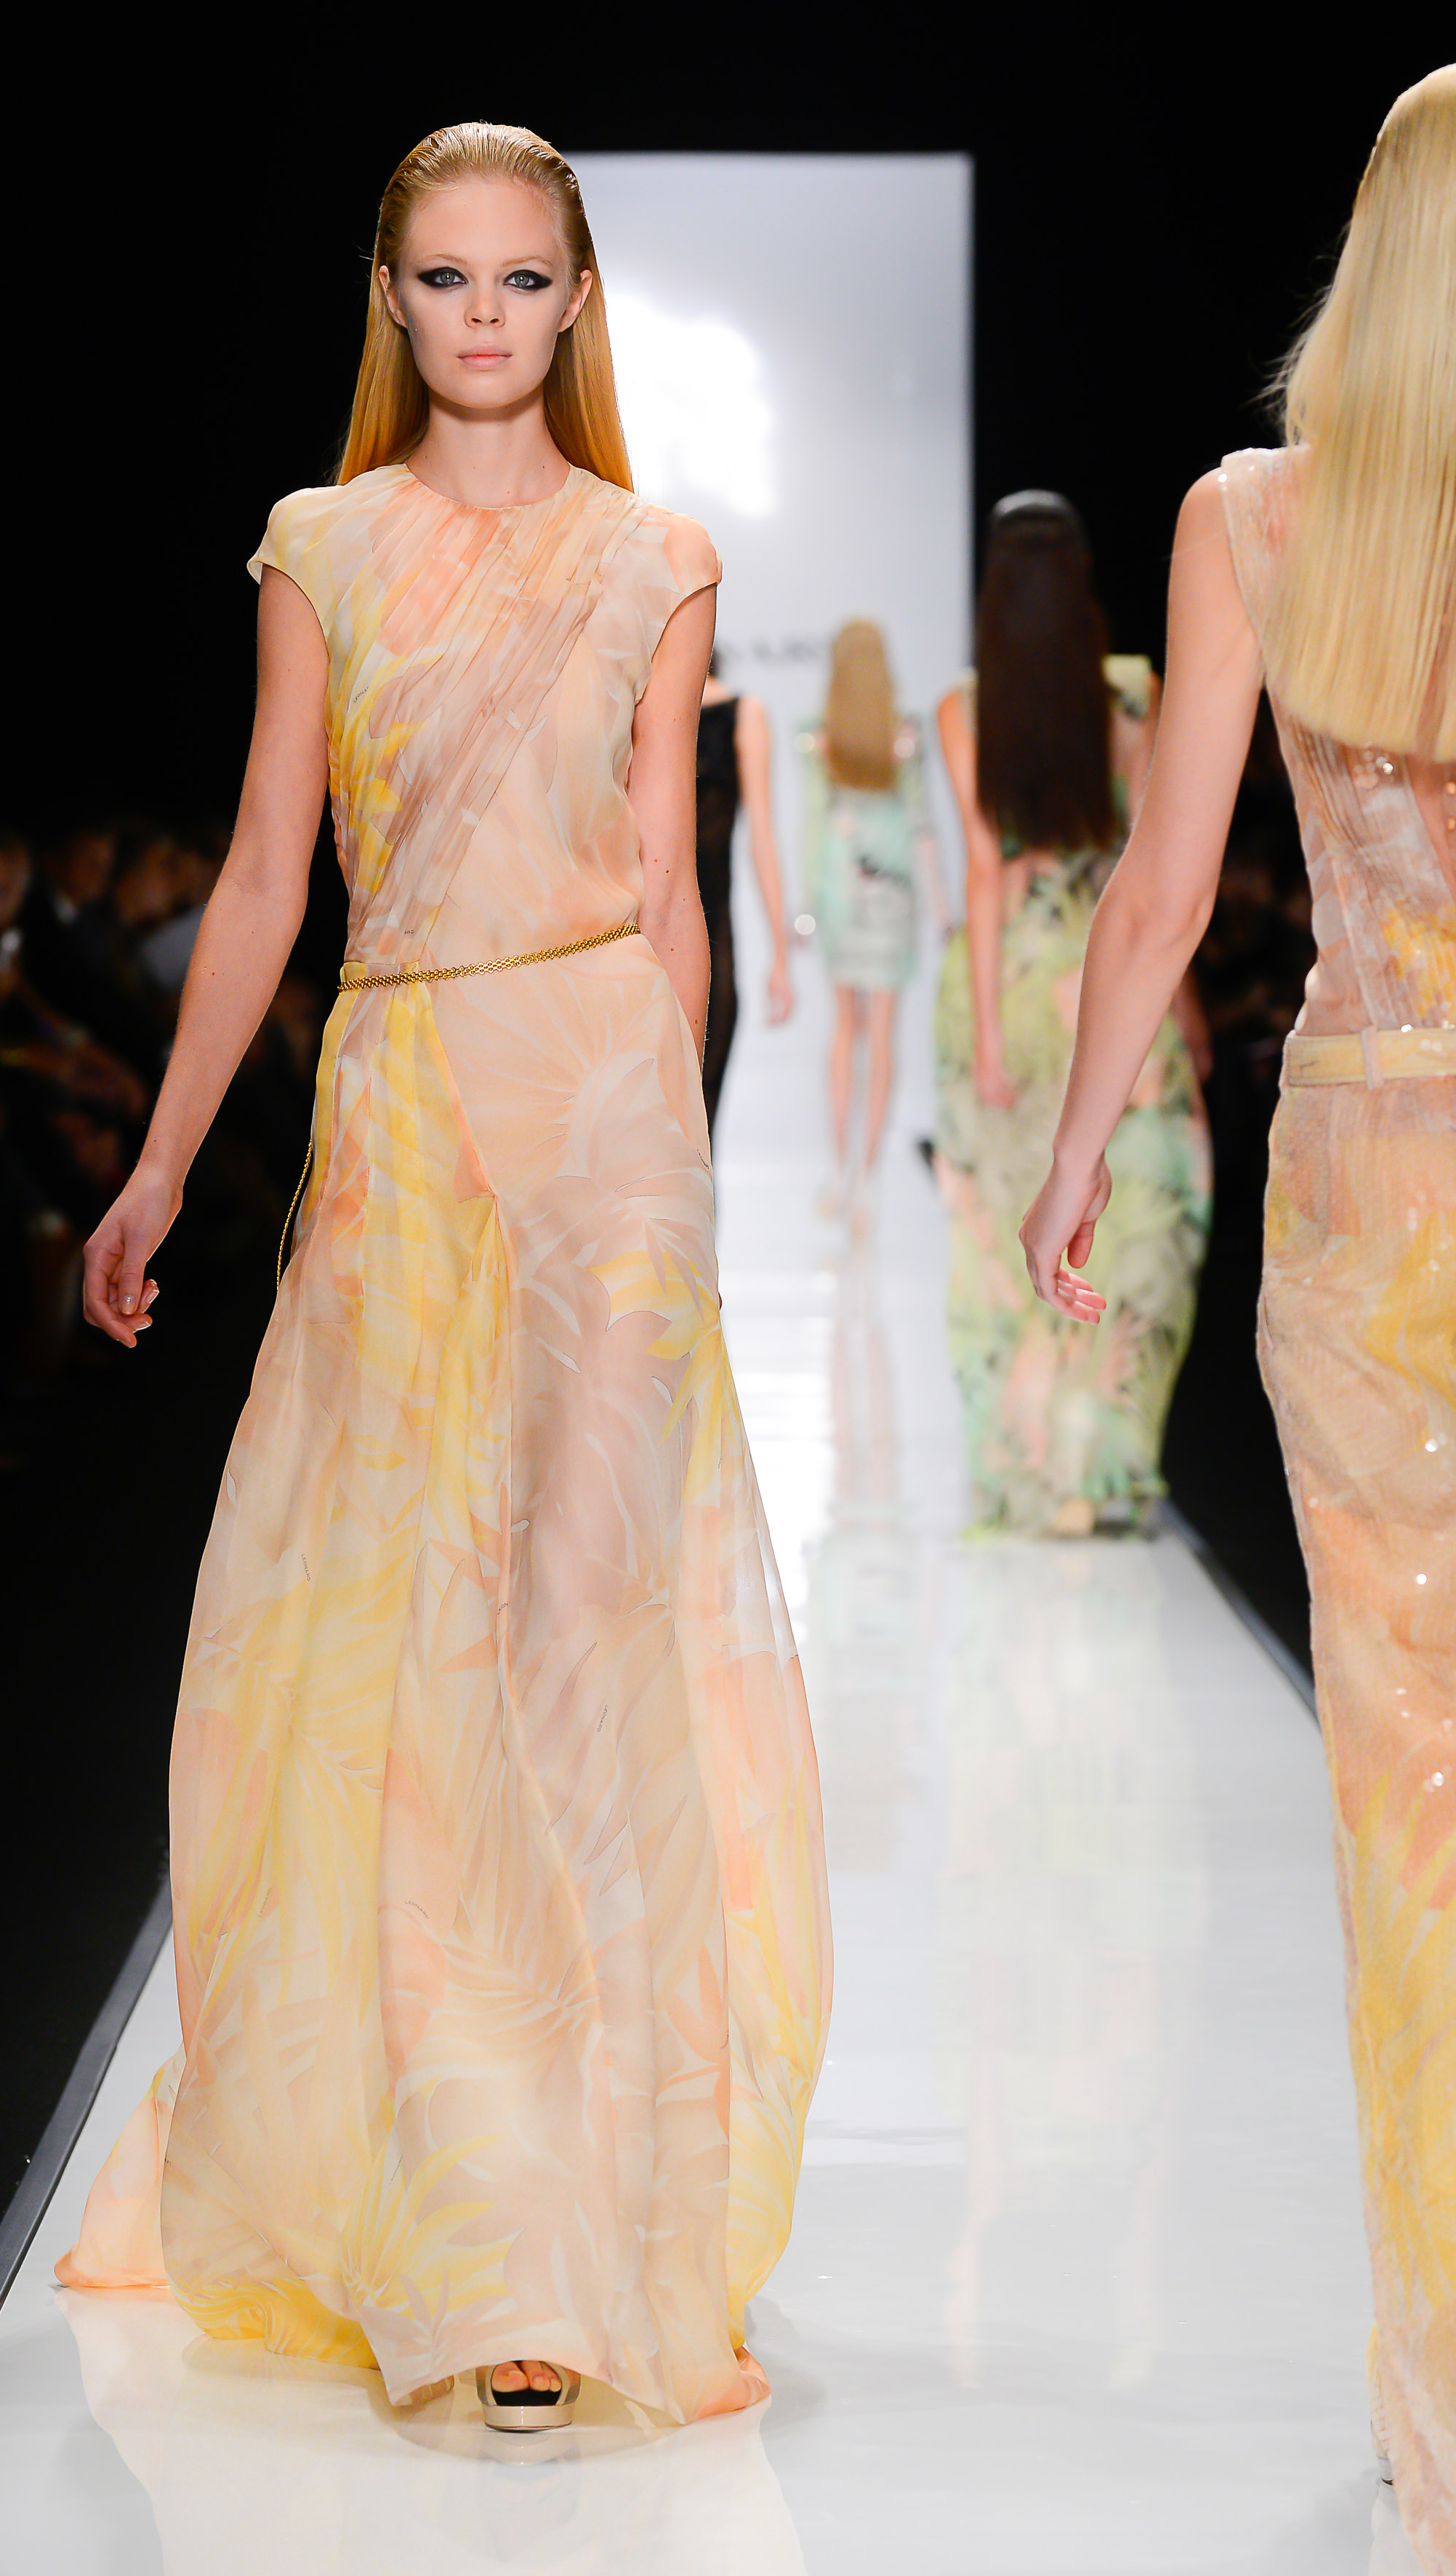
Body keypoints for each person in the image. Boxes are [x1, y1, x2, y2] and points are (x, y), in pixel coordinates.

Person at [58, 121, 832, 2436]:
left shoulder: (656, 555)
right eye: (445, 278)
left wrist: (680, 1166)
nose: (483, 316)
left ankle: (599, 2205)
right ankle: (487, 2222)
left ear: (577, 299)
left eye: (520, 278)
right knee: (407, 1639)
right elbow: (268, 868)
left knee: (581, 1625)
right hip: (401, 1109)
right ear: (390, 299)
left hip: (600, 1111)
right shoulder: (321, 545)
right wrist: (161, 1160)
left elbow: (665, 886)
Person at [1018, 68, 1456, 2569]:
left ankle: (1446, 2402)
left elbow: (1166, 883)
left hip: (1375, 1185)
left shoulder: (1252, 520)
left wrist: (1076, 1143)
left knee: (1408, 1810)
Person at [936, 498, 1210, 1536]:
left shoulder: (967, 706)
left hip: (1009, 984)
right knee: (1137, 1222)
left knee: (999, 1225)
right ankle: (1099, 1466)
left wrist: (988, 1040)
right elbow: (1154, 869)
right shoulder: (1133, 692)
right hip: (1111, 977)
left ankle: (1022, 1466)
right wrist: (1181, 1009)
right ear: (1084, 574)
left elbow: (985, 875)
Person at [802, 619, 946, 1232]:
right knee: (881, 1034)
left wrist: (807, 905)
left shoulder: (821, 738)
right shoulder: (904, 735)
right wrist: (941, 905)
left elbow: (814, 825)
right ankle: (867, 1176)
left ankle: (843, 1171)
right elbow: (920, 824)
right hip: (892, 897)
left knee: (847, 1029)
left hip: (841, 895)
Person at [696, 650, 793, 1138]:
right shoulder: (638, 712)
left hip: (706, 935)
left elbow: (762, 838)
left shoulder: (742, 714)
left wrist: (781, 953)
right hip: (654, 936)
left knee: (697, 1117)